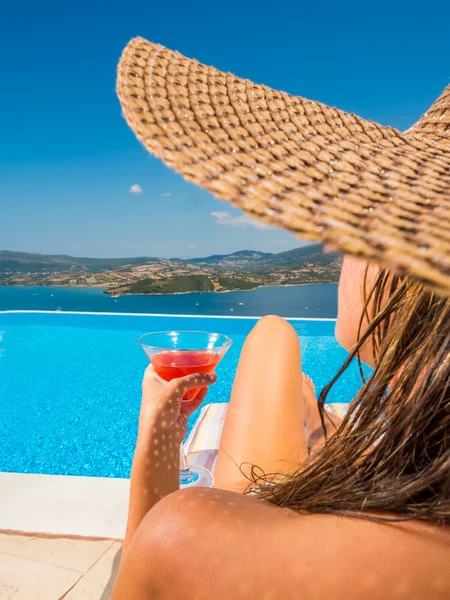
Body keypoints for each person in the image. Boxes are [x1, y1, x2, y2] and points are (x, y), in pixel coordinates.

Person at [111, 38, 450, 598]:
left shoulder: (190, 538)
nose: (338, 249)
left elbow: (151, 565)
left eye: (366, 222)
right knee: (280, 350)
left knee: (274, 343)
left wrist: (160, 434)